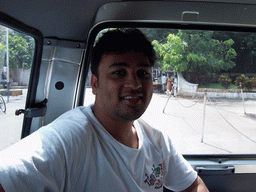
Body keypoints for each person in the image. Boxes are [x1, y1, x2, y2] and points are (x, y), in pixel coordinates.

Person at [0, 29, 208, 192]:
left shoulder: (157, 142)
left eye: (143, 73)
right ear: (95, 83)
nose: (134, 84)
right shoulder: (69, 138)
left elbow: (193, 186)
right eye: (119, 72)